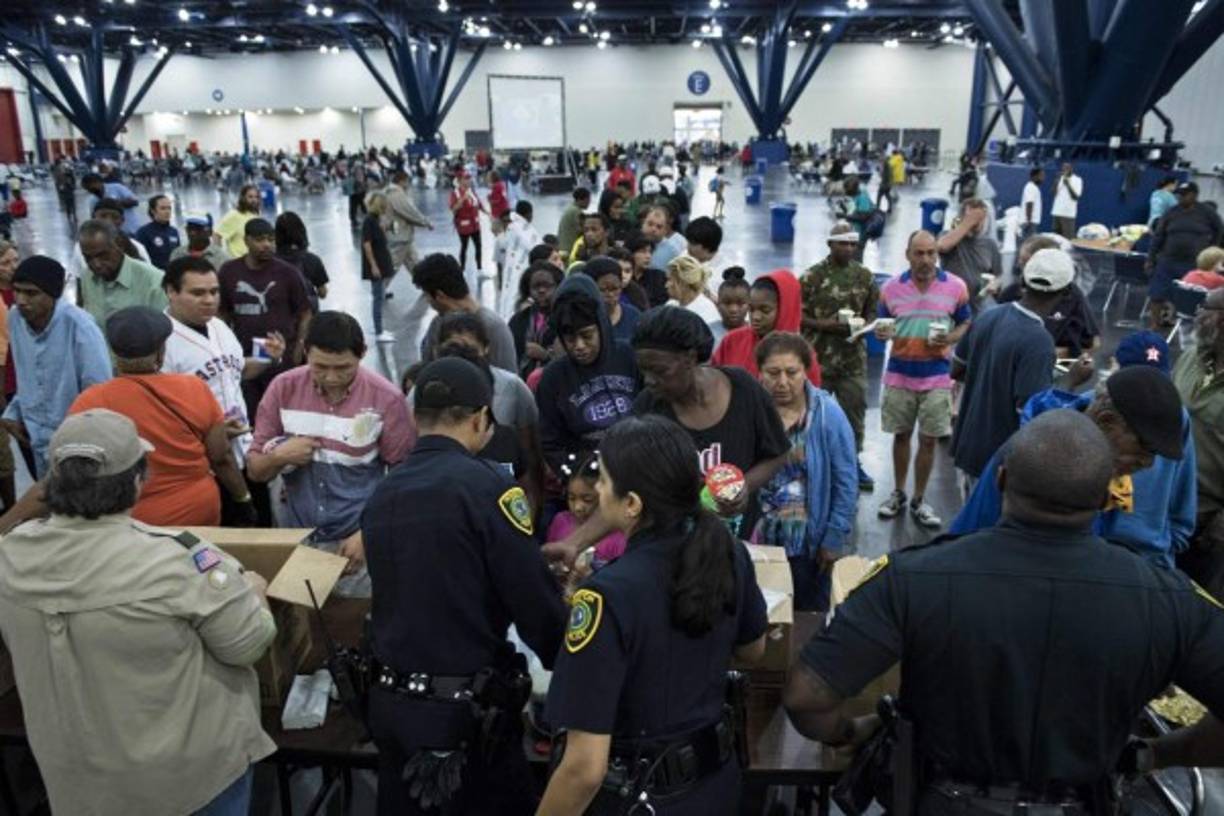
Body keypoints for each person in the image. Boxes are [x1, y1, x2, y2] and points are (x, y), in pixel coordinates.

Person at [784, 409, 1224, 816]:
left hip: (943, 801)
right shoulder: (1167, 598)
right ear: (1109, 492)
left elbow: (807, 697)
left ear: (1000, 479)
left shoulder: (915, 578)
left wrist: (853, 732)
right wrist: (1158, 753)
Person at [0, 410, 277, 816]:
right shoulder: (177, 561)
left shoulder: (9, 557)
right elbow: (248, 644)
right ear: (136, 481)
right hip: (188, 783)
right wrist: (254, 590)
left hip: (76, 783)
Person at [362, 357, 567, 816]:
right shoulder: (489, 490)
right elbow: (533, 601)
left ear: (417, 421)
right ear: (481, 418)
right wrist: (569, 660)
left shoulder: (383, 494)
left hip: (393, 706)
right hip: (466, 719)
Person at [539, 416, 768, 814]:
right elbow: (753, 650)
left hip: (639, 798)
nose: (597, 489)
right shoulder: (728, 552)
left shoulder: (605, 598)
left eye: (604, 481)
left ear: (631, 504)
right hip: (715, 786)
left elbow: (583, 769)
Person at [951, 363, 1195, 569]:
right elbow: (967, 539)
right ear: (1106, 421)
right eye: (1145, 448)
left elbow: (1179, 521)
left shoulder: (1117, 461)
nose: (1149, 463)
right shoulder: (1027, 454)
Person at [248, 312, 415, 597]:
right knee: (306, 624)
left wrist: (368, 533)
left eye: (344, 368)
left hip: (354, 543)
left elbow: (405, 480)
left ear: (362, 354)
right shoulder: (282, 389)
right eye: (320, 367)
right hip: (296, 539)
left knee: (355, 625)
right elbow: (255, 470)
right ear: (304, 350)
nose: (331, 377)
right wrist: (279, 457)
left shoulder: (386, 399)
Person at [65, 306, 253, 527]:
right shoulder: (194, 389)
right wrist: (243, 499)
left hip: (128, 519)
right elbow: (221, 458)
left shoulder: (89, 402)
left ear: (114, 352)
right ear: (162, 350)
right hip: (195, 512)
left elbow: (73, 470)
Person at [631, 306, 791, 540]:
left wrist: (743, 486)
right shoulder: (647, 408)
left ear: (690, 358)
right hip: (675, 543)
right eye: (644, 371)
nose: (649, 381)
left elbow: (777, 453)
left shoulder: (743, 389)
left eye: (659, 371)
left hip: (738, 538)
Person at [952, 247, 1098, 497]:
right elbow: (1036, 416)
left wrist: (997, 377)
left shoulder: (989, 316)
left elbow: (957, 369)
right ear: (1065, 293)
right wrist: (1070, 380)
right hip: (999, 465)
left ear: (1022, 281)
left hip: (967, 450)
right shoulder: (1038, 340)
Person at [874, 230, 972, 528]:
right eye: (920, 253)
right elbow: (882, 325)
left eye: (931, 253)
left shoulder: (955, 287)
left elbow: (965, 321)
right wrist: (881, 333)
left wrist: (950, 338)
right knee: (901, 436)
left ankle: (918, 499)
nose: (926, 259)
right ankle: (898, 493)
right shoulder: (891, 289)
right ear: (908, 255)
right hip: (899, 376)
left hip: (937, 378)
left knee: (928, 440)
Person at [754, 332, 856, 612]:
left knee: (805, 617)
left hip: (806, 544)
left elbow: (846, 480)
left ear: (806, 371)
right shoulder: (751, 411)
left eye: (792, 372)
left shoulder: (827, 415)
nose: (783, 382)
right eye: (773, 373)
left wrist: (834, 537)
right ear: (759, 372)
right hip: (756, 538)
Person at [161, 256, 271, 493]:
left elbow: (237, 370)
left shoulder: (219, 326)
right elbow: (164, 414)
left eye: (214, 291)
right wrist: (211, 432)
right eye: (198, 293)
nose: (209, 300)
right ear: (171, 291)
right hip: (204, 465)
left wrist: (267, 358)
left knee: (261, 521)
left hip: (244, 449)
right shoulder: (161, 342)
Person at [1, 257, 111, 477]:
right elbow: (26, 374)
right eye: (17, 291)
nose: (21, 300)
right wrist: (12, 412)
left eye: (31, 293)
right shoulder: (15, 318)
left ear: (53, 295)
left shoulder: (80, 327)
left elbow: (99, 390)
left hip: (74, 440)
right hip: (33, 435)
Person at [432, 312, 544, 511]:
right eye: (452, 348)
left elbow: (529, 468)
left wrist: (526, 527)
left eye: (470, 350)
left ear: (485, 349)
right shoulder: (423, 393)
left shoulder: (513, 390)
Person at [800, 223, 879, 490]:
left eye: (852, 244)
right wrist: (824, 325)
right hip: (817, 360)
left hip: (852, 360)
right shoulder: (811, 277)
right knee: (811, 416)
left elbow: (873, 313)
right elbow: (797, 315)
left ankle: (853, 464)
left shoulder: (865, 277)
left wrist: (863, 326)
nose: (848, 248)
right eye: (842, 243)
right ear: (830, 244)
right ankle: (810, 465)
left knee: (853, 414)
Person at [535, 274, 640, 473]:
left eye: (587, 335)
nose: (579, 346)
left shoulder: (630, 357)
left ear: (601, 326)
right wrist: (577, 474)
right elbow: (550, 444)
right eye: (570, 338)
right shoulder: (553, 379)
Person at [1173, 287, 1224, 595]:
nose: (1197, 316)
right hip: (1167, 502)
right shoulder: (1193, 357)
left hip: (1208, 519)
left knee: (1198, 599)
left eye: (1205, 309)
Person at [995, 234, 1101, 357]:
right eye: (1020, 262)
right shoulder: (1011, 293)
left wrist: (1059, 354)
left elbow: (1094, 342)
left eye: (1026, 263)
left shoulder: (1071, 293)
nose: (1021, 268)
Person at [711, 269, 822, 385]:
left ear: (785, 309)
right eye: (751, 309)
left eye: (765, 310)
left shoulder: (803, 354)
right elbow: (714, 384)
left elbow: (811, 399)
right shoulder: (732, 341)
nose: (756, 317)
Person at [414, 253, 517, 372]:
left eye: (426, 296)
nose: (428, 301)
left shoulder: (493, 327)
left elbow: (508, 379)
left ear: (440, 296)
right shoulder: (437, 324)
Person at [1147, 181, 1224, 328]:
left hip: (1194, 264)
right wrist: (1150, 259)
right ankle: (1154, 326)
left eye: (1184, 195)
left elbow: (1219, 231)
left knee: (1189, 298)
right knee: (1156, 294)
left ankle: (1184, 325)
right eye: (1178, 195)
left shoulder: (1207, 213)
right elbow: (1158, 236)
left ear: (1194, 195)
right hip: (1168, 260)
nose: (1180, 198)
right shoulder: (1171, 212)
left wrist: (1211, 249)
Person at [382, 169, 436, 367]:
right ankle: (380, 288)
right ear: (402, 180)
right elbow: (408, 211)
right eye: (407, 181)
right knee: (393, 267)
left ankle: (426, 283)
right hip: (400, 238)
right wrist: (425, 222)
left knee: (415, 263)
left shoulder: (389, 192)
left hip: (404, 237)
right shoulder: (396, 194)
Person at [76, 218, 169, 328]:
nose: (96, 264)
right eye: (88, 258)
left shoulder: (154, 281)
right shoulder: (87, 277)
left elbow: (164, 332)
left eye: (103, 255)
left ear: (119, 246)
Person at [546, 451, 627, 571]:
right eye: (571, 498)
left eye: (588, 500)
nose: (578, 507)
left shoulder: (619, 536)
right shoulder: (560, 521)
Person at [936, 198, 1003, 305]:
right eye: (972, 218)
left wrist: (995, 284)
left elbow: (998, 275)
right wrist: (969, 222)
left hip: (978, 305)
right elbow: (942, 246)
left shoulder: (990, 245)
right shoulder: (948, 236)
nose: (976, 222)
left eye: (980, 219)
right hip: (951, 303)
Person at [509, 260, 563, 379]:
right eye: (536, 286)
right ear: (528, 290)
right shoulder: (518, 320)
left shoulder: (566, 318)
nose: (541, 291)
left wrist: (545, 356)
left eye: (547, 286)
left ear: (558, 286)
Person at [275, 211, 330, 311]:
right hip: (307, 315)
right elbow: (323, 293)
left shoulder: (271, 260)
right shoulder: (312, 259)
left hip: (280, 317)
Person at [581, 255, 640, 344]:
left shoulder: (634, 316)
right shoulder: (579, 318)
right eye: (603, 290)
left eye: (615, 289)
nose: (610, 294)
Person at [362, 190, 396, 341]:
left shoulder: (375, 219)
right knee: (378, 297)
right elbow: (367, 244)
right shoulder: (369, 221)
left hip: (381, 261)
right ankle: (378, 331)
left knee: (380, 296)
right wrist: (374, 265)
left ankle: (379, 328)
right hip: (377, 263)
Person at [450, 171, 487, 276]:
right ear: (460, 180)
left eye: (469, 178)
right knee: (464, 247)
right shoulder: (455, 193)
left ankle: (480, 269)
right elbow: (453, 209)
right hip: (464, 226)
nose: (468, 180)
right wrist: (462, 199)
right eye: (466, 178)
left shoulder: (471, 191)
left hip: (475, 224)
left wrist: (487, 212)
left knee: (478, 246)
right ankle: (462, 270)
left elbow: (478, 204)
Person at [665, 253, 720, 325]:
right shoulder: (671, 305)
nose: (666, 285)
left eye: (670, 280)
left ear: (682, 283)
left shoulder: (706, 313)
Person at [134, 194, 181, 270]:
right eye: (163, 208)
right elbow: (139, 258)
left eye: (169, 208)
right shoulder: (143, 232)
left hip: (173, 275)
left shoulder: (173, 231)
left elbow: (178, 255)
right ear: (153, 211)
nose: (167, 212)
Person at [214, 183, 262, 258]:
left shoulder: (256, 216)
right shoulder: (234, 215)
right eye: (250, 197)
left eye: (256, 197)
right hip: (237, 262)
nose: (254, 200)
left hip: (253, 261)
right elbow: (217, 235)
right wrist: (219, 257)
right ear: (243, 198)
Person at [627, 231, 669, 307]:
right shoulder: (623, 277)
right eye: (643, 252)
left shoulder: (659, 277)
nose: (648, 256)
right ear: (631, 253)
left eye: (650, 252)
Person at [712, 266, 751, 342]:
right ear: (718, 304)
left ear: (750, 304)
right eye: (727, 303)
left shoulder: (758, 334)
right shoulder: (707, 333)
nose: (733, 309)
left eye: (740, 304)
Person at [643, 204, 687, 271]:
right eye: (650, 224)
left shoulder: (674, 253)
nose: (653, 229)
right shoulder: (632, 242)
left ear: (665, 230)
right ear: (643, 223)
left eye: (659, 227)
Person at [1051, 162, 1083, 239]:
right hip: (1056, 212)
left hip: (1068, 214)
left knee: (1068, 238)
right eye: (1063, 168)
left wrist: (1068, 184)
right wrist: (1056, 181)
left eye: (1067, 168)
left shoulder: (1077, 180)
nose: (1065, 170)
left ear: (1071, 169)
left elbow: (1076, 197)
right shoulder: (1060, 179)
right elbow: (1053, 193)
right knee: (1056, 238)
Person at [557, 187, 591, 255]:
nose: (589, 203)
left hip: (562, 248)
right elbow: (581, 231)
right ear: (580, 199)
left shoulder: (570, 209)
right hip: (570, 250)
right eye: (587, 200)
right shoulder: (576, 212)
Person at [1020, 166, 1044, 238]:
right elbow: (1029, 204)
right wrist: (1028, 221)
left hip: (1031, 221)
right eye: (1041, 176)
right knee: (1028, 245)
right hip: (1030, 222)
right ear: (1035, 176)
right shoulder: (1031, 187)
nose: (1043, 178)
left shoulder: (1033, 187)